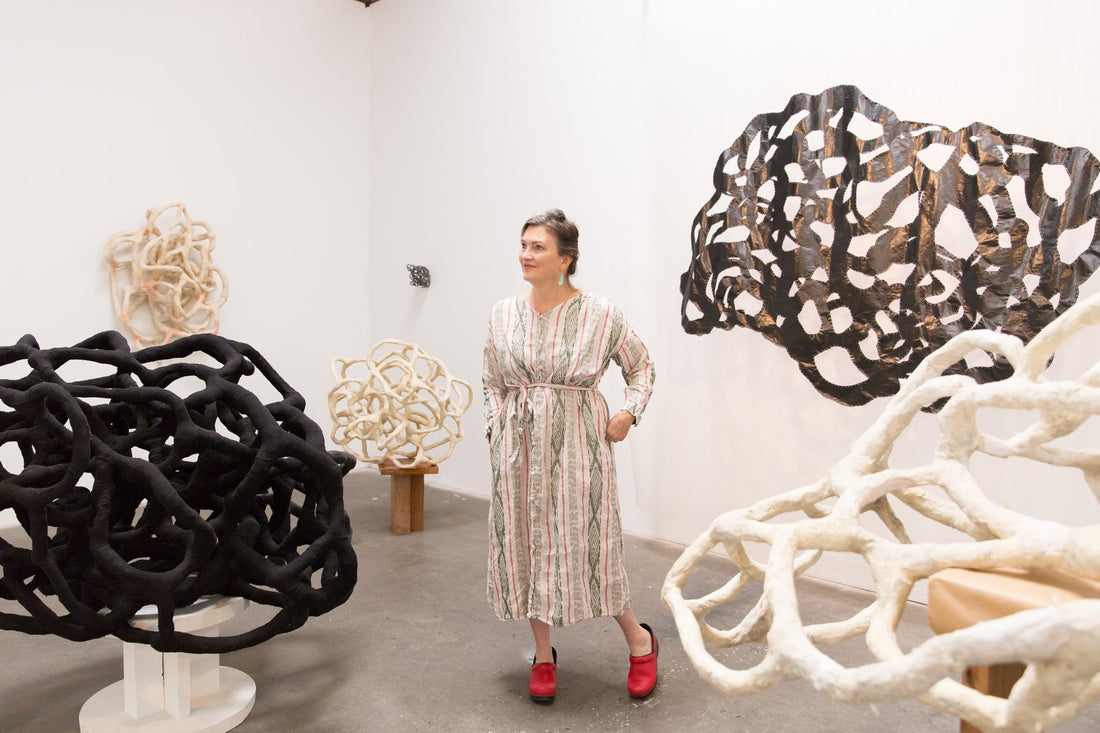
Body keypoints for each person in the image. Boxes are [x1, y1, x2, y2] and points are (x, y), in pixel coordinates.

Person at [482, 208, 657, 702]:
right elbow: (491, 382)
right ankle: (542, 656)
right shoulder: (502, 313)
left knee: (590, 548)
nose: (525, 254)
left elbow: (641, 368)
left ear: (566, 259)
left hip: (580, 449)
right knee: (528, 546)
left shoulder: (601, 313)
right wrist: (496, 429)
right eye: (523, 244)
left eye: (538, 247)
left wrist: (628, 413)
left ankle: (640, 641)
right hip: (517, 455)